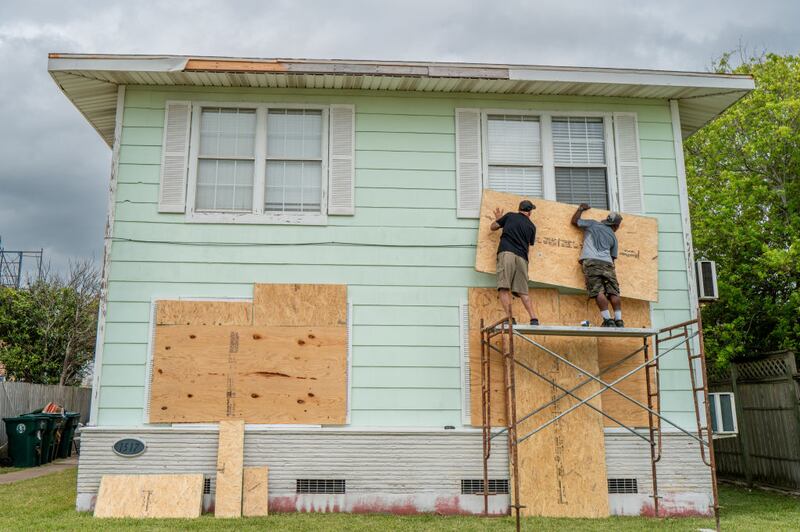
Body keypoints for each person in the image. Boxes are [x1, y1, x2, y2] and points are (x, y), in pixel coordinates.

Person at [571, 203, 624, 327]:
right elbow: (613, 257)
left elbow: (574, 221)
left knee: (598, 291)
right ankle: (619, 320)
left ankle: (608, 320)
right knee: (613, 292)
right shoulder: (613, 237)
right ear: (615, 226)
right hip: (607, 264)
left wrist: (581, 209)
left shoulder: (592, 224)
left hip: (591, 262)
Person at [490, 200, 539, 325]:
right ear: (530, 212)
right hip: (522, 258)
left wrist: (500, 219)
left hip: (507, 253)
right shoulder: (532, 226)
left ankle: (510, 319)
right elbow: (528, 246)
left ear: (520, 208)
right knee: (523, 290)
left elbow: (493, 227)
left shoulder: (510, 216)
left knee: (504, 287)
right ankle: (534, 319)